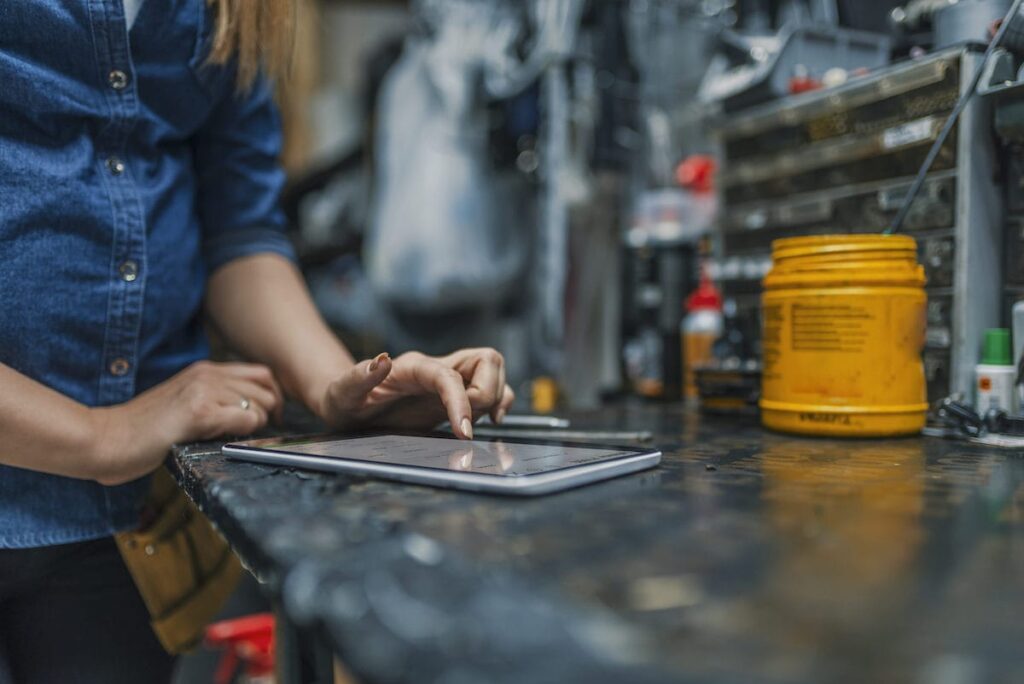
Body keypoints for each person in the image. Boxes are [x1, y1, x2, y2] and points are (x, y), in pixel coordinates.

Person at [0, 1, 514, 681]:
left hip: (115, 522)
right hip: (109, 457)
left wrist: (338, 385)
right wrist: (101, 436)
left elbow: (238, 232)